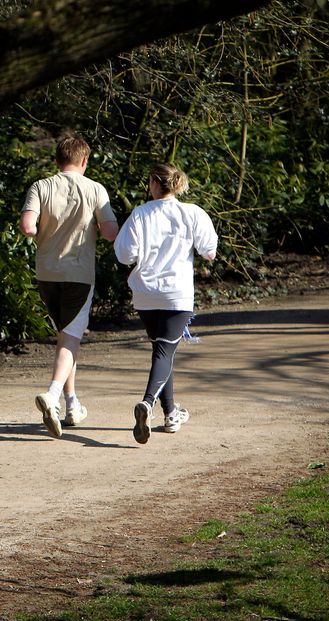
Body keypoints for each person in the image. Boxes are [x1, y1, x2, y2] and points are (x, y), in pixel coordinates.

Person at [20, 136, 118, 437]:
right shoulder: (95, 190)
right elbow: (111, 233)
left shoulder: (40, 186)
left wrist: (39, 231)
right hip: (78, 272)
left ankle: (72, 403)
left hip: (46, 272)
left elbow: (27, 227)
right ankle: (51, 396)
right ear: (85, 161)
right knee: (71, 340)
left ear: (56, 160)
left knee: (66, 337)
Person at [114, 163, 218, 444]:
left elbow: (124, 255)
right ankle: (146, 404)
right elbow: (209, 251)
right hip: (176, 294)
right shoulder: (192, 212)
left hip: (146, 294)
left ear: (153, 183)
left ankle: (171, 414)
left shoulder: (139, 214)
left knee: (163, 351)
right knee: (164, 352)